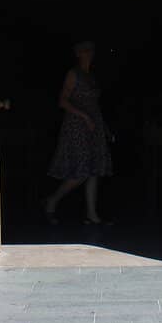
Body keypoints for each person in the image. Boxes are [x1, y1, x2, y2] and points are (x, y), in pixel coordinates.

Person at [45, 40, 112, 224]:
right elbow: (63, 101)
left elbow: (95, 105)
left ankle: (92, 214)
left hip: (94, 127)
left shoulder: (91, 76)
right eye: (84, 50)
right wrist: (84, 117)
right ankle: (53, 200)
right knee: (81, 172)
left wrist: (103, 127)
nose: (88, 53)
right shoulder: (73, 74)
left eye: (90, 50)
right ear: (77, 53)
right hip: (78, 127)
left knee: (93, 170)